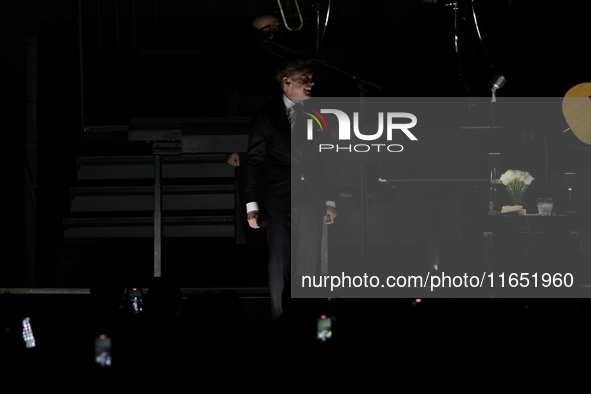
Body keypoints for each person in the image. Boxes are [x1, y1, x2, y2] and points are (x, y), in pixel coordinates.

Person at [241, 57, 337, 321]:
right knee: (278, 262)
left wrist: (331, 200)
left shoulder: (319, 113)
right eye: (305, 78)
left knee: (308, 261)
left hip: (312, 197)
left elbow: (328, 159)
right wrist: (252, 205)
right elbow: (254, 161)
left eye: (311, 78)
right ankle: (279, 319)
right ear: (287, 81)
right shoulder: (265, 115)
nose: (312, 82)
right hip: (278, 198)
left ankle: (303, 318)